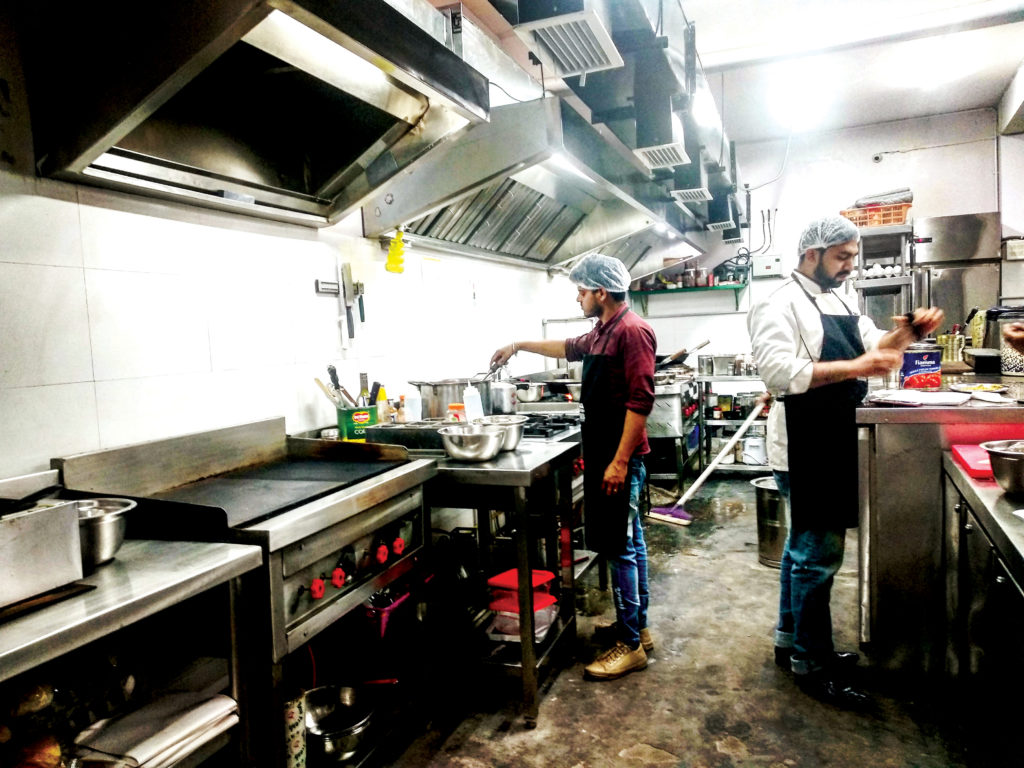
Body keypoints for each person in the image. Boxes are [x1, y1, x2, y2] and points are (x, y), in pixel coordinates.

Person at [747, 215, 943, 708]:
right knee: (817, 557)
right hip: (803, 439)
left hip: (833, 433)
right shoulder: (777, 302)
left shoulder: (842, 297)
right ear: (811, 254)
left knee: (801, 550)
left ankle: (790, 641)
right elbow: (778, 372)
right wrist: (857, 367)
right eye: (842, 257)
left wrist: (907, 334)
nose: (851, 266)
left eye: (854, 256)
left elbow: (875, 346)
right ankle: (812, 664)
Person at [490, 253, 657, 680]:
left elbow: (641, 401)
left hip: (620, 457)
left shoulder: (632, 331)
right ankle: (636, 627)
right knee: (630, 542)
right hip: (605, 453)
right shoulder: (603, 331)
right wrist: (517, 345)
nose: (577, 298)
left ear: (601, 291)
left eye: (581, 291)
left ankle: (631, 647)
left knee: (620, 547)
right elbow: (566, 348)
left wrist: (620, 462)